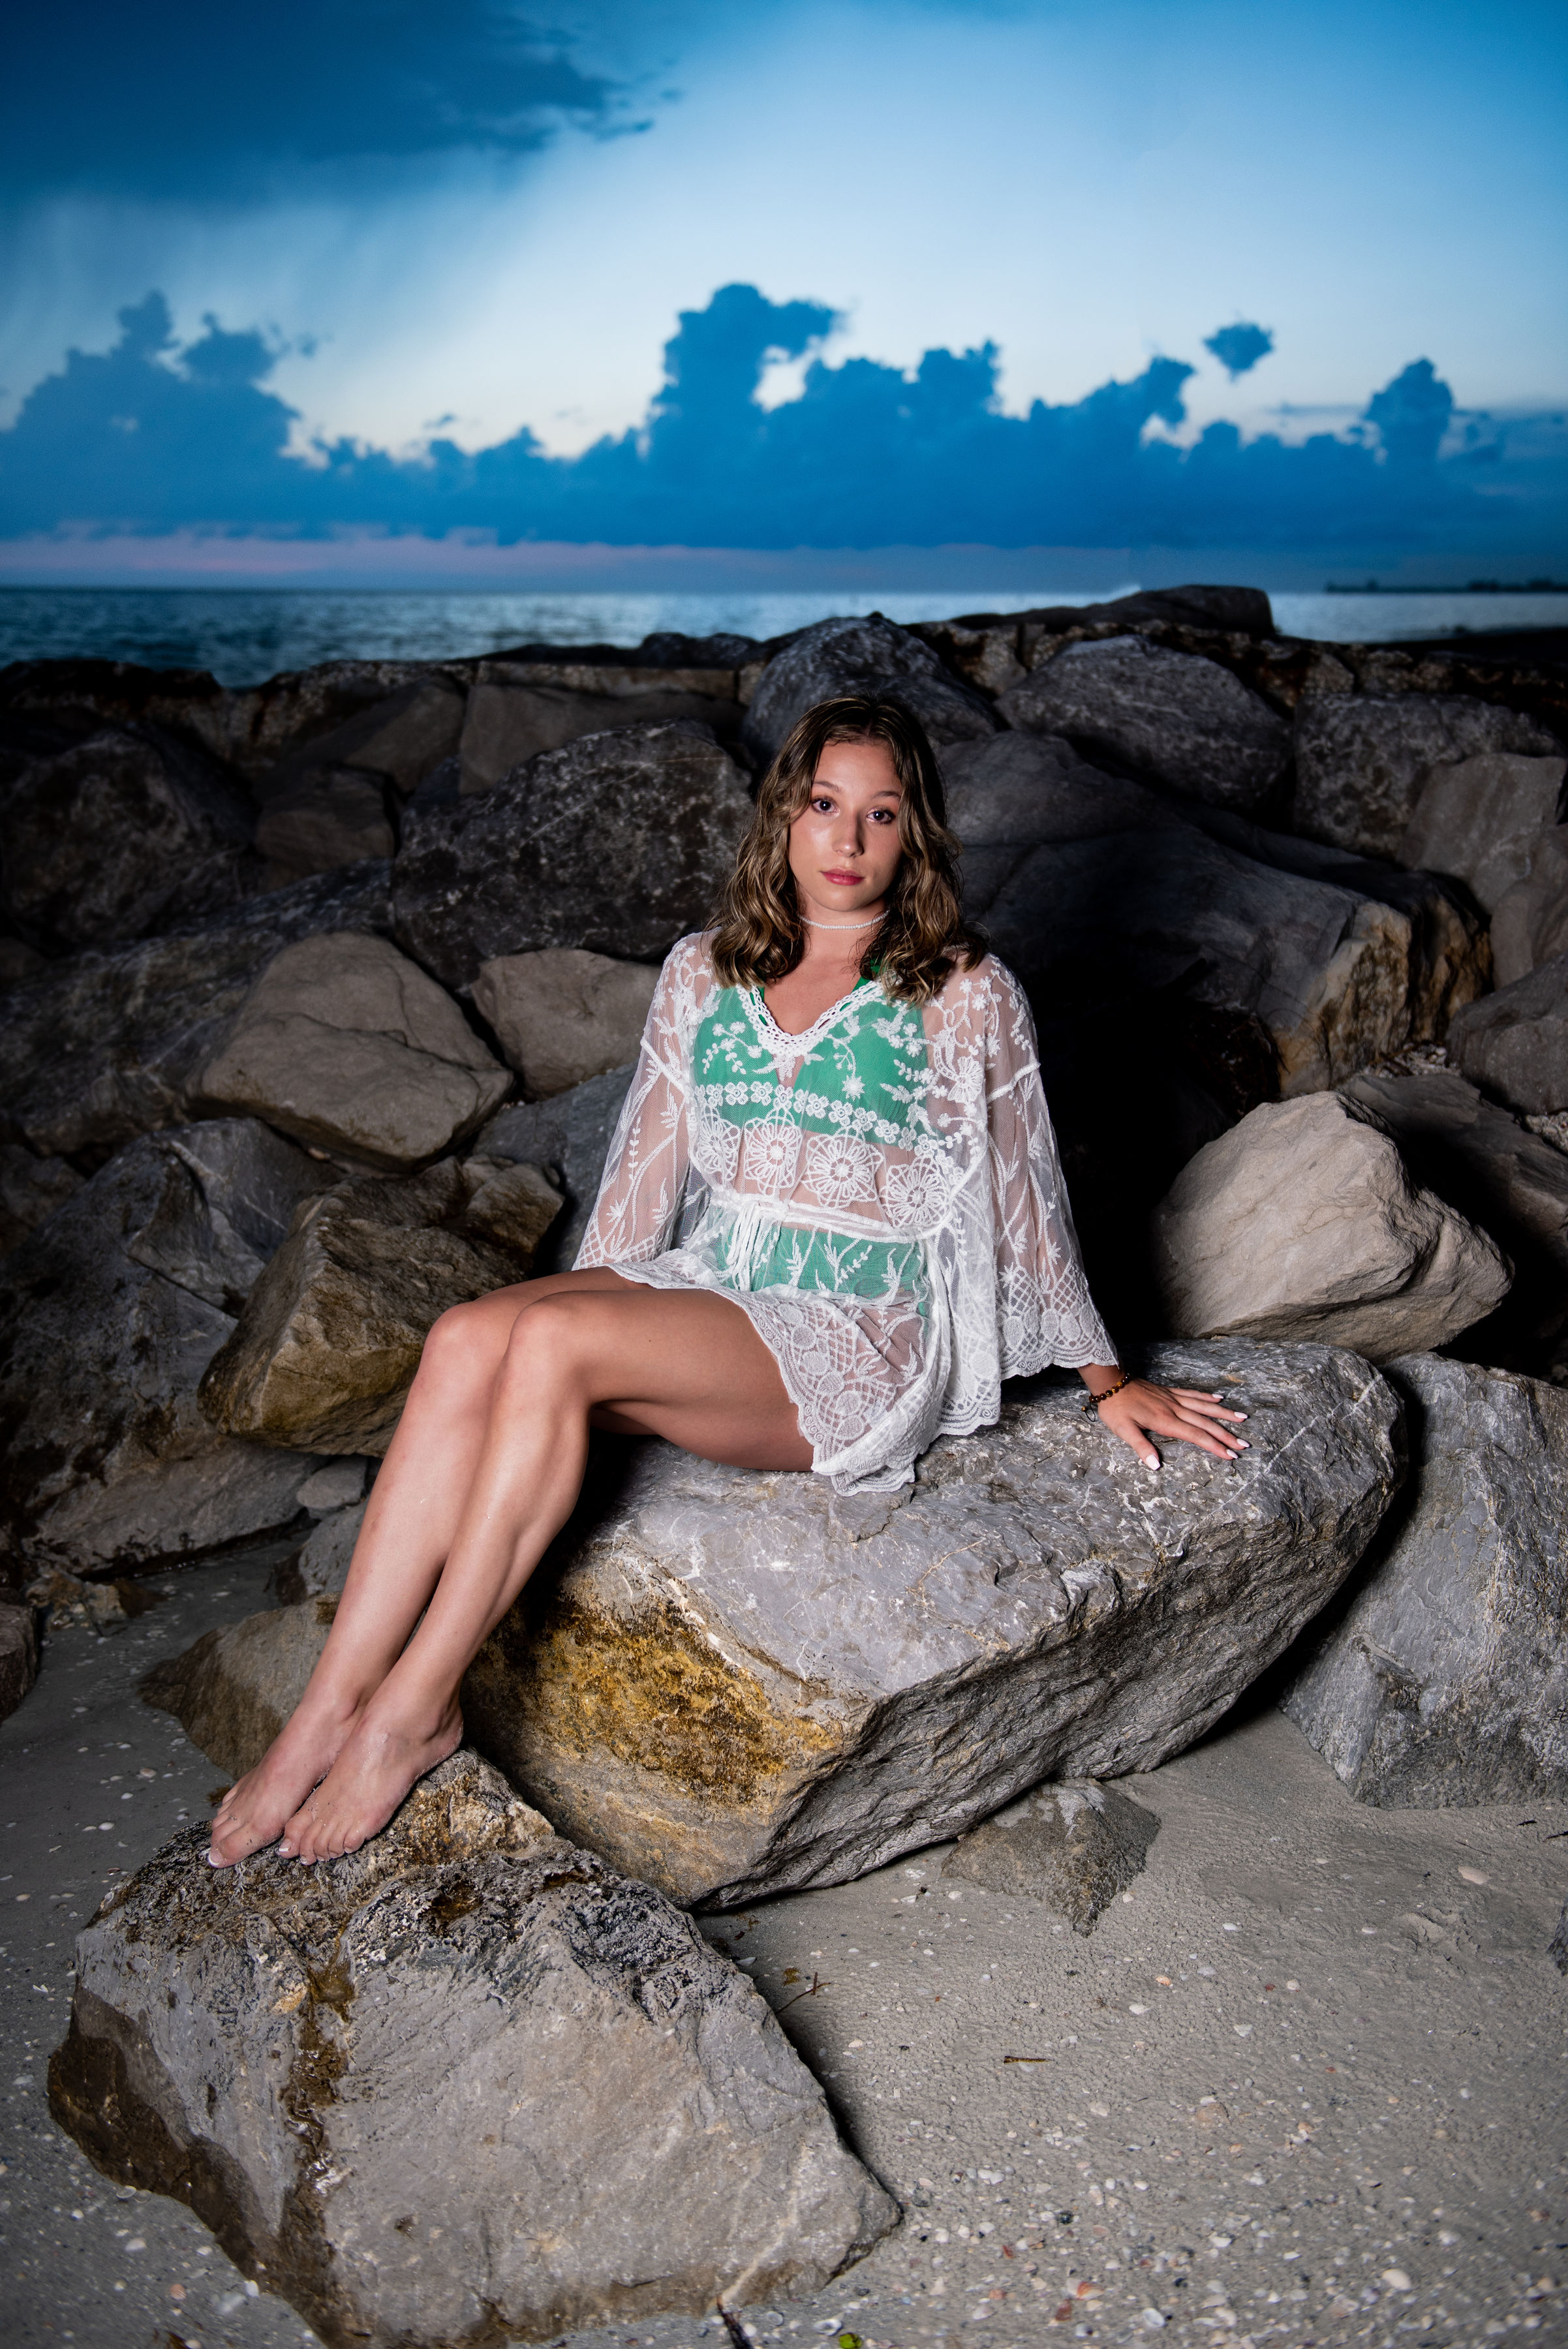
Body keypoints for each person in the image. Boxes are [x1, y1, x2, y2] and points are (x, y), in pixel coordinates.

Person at [209, 692, 1248, 1869]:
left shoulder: (964, 990)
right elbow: (639, 1186)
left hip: (856, 1330)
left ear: (915, 835)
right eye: (824, 805)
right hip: (718, 1283)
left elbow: (1027, 1198)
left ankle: (414, 1711)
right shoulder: (703, 972)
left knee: (545, 1348)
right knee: (465, 1339)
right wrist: (572, 1343)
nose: (847, 840)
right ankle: (325, 1711)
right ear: (784, 816)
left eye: (881, 814)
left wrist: (1111, 1379)